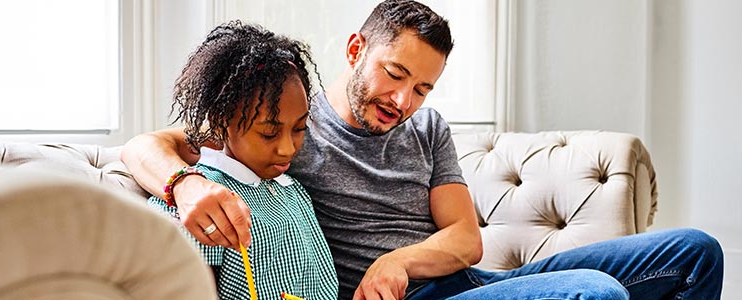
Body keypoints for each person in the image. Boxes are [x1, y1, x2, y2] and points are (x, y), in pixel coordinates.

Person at [123, 1, 724, 299]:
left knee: (696, 252)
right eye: (395, 74)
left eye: (423, 87)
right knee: (594, 295)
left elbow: (464, 239)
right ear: (357, 49)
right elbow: (150, 146)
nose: (404, 100)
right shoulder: (290, 128)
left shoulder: (424, 127)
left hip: (464, 278)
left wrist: (403, 259)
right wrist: (187, 184)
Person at [145, 20, 338, 300]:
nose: (287, 149)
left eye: (299, 128)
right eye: (269, 133)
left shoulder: (295, 192)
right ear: (222, 123)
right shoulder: (202, 201)